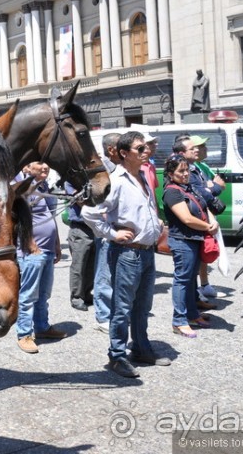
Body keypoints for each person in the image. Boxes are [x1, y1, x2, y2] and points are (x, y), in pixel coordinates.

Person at [83, 131, 169, 378]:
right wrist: (111, 234)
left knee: (142, 306)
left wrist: (156, 223)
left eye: (146, 147)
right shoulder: (117, 180)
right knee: (122, 308)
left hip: (146, 252)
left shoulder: (142, 175)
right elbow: (90, 213)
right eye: (140, 149)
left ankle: (141, 349)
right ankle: (117, 355)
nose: (147, 152)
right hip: (127, 253)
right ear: (123, 153)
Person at [162, 155, 218, 339]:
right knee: (182, 281)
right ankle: (179, 321)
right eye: (181, 171)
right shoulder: (171, 192)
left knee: (190, 281)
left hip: (194, 239)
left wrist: (213, 220)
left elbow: (203, 206)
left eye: (186, 170)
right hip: (182, 240)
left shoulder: (188, 187)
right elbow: (186, 218)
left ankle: (192, 315)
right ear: (171, 174)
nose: (186, 174)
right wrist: (208, 227)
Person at [13, 162, 67, 354]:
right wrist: (29, 242)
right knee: (28, 295)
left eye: (47, 164)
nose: (45, 167)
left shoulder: (44, 186)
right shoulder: (18, 186)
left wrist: (57, 243)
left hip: (48, 248)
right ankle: (24, 334)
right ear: (27, 167)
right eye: (39, 163)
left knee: (44, 293)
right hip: (31, 251)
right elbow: (13, 218)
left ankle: (42, 327)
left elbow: (50, 216)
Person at [189, 134, 227, 298]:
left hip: (207, 213)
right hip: (198, 216)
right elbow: (205, 191)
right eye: (202, 146)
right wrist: (214, 187)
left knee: (204, 252)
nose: (206, 149)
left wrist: (213, 187)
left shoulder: (201, 166)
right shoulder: (190, 168)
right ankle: (196, 291)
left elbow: (215, 187)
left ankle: (204, 285)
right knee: (196, 254)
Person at [92, 133, 121, 333]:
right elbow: (92, 207)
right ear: (112, 149)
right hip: (108, 232)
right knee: (104, 273)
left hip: (121, 232)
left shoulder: (121, 169)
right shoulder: (103, 170)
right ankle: (103, 315)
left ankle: (113, 310)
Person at [64, 181, 95, 311]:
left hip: (94, 227)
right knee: (79, 264)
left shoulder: (93, 179)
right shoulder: (70, 182)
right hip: (80, 227)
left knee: (91, 265)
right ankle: (76, 297)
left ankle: (87, 293)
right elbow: (80, 200)